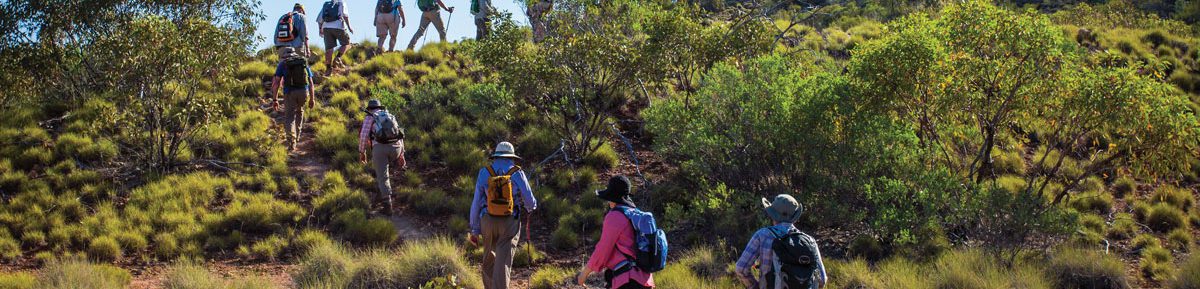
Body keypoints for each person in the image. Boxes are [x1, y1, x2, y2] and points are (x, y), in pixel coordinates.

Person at [468, 142, 537, 289]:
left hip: (487, 220)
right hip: (509, 221)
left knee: (488, 259)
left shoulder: (484, 172)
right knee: (503, 261)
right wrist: (530, 208)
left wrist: (474, 230)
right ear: (511, 156)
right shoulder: (517, 172)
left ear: (496, 156)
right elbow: (530, 200)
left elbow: (475, 202)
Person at [577, 176, 655, 289]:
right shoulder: (635, 214)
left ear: (613, 198)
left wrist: (584, 274)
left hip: (628, 281)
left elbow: (603, 249)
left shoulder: (615, 216)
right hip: (645, 280)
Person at [735, 194, 828, 289]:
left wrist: (755, 286)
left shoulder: (762, 235)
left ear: (773, 215)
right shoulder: (809, 241)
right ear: (794, 217)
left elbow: (741, 269)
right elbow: (823, 279)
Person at [359, 99, 406, 215]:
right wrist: (402, 154)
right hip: (396, 148)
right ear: (380, 107)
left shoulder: (369, 118)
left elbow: (363, 136)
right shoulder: (390, 116)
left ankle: (387, 206)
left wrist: (362, 152)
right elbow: (399, 134)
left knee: (383, 176)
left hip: (380, 149)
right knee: (383, 173)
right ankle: (380, 194)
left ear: (369, 109)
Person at [268, 47, 315, 152]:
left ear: (284, 55)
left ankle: (291, 142)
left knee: (289, 117)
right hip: (303, 92)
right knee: (300, 111)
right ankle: (297, 136)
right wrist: (312, 98)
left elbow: (276, 83)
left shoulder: (283, 64)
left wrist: (275, 99)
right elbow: (311, 82)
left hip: (289, 92)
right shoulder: (303, 62)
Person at [317, 0, 355, 75]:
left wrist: (320, 29)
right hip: (338, 26)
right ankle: (338, 58)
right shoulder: (341, 2)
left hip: (326, 27)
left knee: (329, 49)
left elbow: (319, 19)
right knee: (347, 43)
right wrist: (349, 27)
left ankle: (328, 69)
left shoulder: (326, 4)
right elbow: (345, 15)